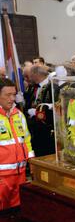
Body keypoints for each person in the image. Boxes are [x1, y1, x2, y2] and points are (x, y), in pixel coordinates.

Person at [0, 79, 34, 211]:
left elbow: (26, 140)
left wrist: (31, 161)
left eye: (14, 94)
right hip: (2, 177)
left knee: (18, 212)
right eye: (7, 95)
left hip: (20, 174)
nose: (12, 98)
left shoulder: (19, 115)